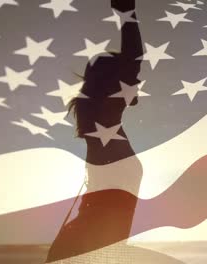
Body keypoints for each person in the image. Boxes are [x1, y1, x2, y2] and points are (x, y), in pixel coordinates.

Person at [45, 0, 183, 263]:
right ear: (113, 84)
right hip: (93, 247)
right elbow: (133, 58)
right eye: (131, 77)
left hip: (94, 245)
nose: (137, 81)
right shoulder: (103, 118)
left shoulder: (104, 124)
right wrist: (127, 13)